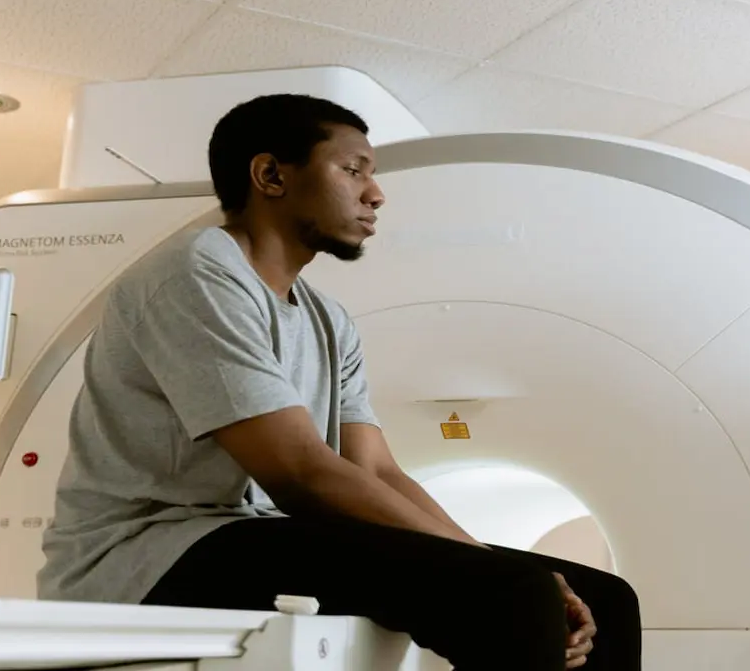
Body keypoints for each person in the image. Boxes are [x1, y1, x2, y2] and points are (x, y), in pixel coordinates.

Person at [37, 93, 642, 670]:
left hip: (255, 538)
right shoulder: (196, 275)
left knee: (608, 602)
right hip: (145, 553)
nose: (375, 194)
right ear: (271, 175)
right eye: (353, 170)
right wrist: (499, 574)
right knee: (513, 597)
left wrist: (487, 558)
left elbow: (376, 470)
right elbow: (300, 472)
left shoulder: (328, 318)